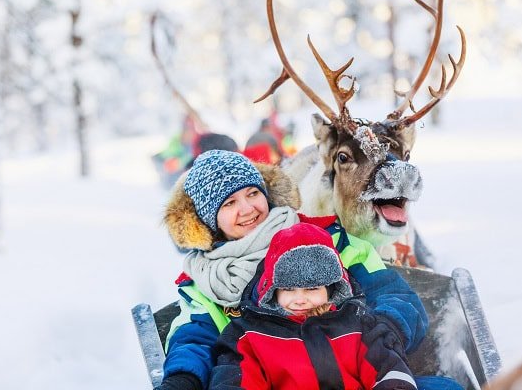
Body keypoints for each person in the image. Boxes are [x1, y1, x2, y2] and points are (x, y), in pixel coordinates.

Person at [157, 150, 430, 390]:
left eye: (253, 193)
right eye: (229, 204)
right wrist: (183, 378)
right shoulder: (204, 283)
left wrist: (380, 347)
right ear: (209, 219)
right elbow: (193, 340)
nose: (247, 209)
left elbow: (394, 296)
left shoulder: (327, 240)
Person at [210, 223, 462, 389]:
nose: (300, 299)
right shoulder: (251, 335)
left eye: (311, 289)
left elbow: (387, 368)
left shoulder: (356, 323)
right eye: (288, 289)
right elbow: (235, 379)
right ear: (271, 289)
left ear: (331, 289)